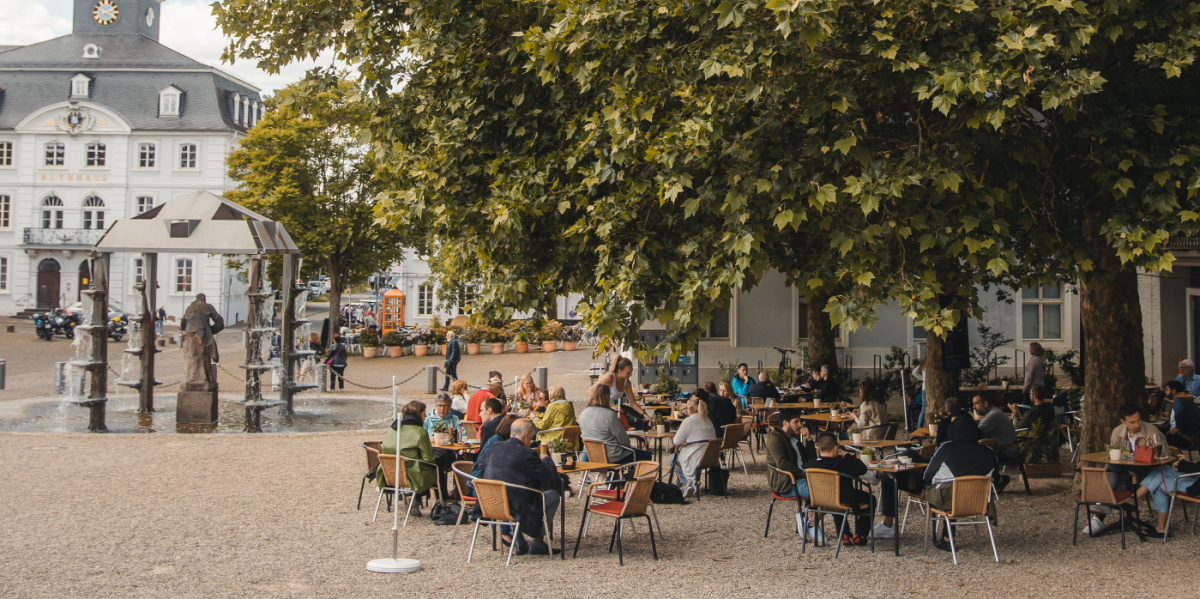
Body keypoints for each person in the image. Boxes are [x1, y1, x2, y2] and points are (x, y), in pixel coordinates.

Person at [474, 418, 562, 555]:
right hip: (517, 506)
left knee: (513, 491)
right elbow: (550, 477)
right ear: (527, 435)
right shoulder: (527, 454)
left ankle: (520, 541)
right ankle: (538, 540)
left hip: (490, 504)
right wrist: (546, 459)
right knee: (552, 496)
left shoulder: (493, 447)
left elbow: (481, 465)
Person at [1083, 404, 1169, 536]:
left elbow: (1164, 459)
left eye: (1138, 420)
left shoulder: (1152, 432)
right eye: (1132, 422)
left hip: (1146, 472)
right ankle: (1100, 512)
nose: (1137, 424)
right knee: (1111, 467)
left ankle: (1099, 512)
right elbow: (1113, 456)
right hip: (1125, 471)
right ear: (1123, 422)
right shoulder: (1117, 432)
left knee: (1115, 472)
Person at [922, 412, 999, 551]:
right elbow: (997, 479)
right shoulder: (989, 453)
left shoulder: (946, 449)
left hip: (950, 500)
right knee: (955, 490)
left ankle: (946, 538)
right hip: (978, 502)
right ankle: (948, 538)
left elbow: (927, 476)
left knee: (941, 491)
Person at [804, 432, 873, 546]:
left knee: (834, 495)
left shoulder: (810, 464)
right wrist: (848, 456)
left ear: (818, 448)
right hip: (842, 500)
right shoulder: (840, 465)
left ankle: (844, 533)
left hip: (820, 500)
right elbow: (862, 469)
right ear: (835, 448)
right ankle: (860, 535)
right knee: (870, 499)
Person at [764, 408, 819, 539]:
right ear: (785, 423)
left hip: (801, 478)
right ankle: (809, 523)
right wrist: (804, 474)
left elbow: (810, 461)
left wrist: (809, 440)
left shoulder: (794, 439)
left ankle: (808, 520)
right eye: (796, 422)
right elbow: (782, 463)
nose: (800, 425)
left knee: (825, 489)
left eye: (800, 421)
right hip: (786, 482)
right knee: (819, 491)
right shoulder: (775, 439)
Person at [378, 400, 437, 516]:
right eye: (424, 413)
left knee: (420, 465)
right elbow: (429, 458)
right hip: (412, 477)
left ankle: (416, 499)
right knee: (437, 467)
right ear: (419, 414)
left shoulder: (392, 429)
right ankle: (441, 501)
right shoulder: (420, 432)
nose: (425, 416)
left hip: (389, 474)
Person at [578, 384, 650, 464]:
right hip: (613, 455)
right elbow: (623, 439)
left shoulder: (583, 414)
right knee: (646, 455)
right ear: (606, 396)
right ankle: (635, 475)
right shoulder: (609, 415)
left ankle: (613, 475)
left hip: (593, 456)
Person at [1136, 455, 1200, 534]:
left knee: (1161, 486)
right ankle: (1135, 498)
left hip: (1197, 485)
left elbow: (1196, 468)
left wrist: (1182, 464)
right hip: (1196, 476)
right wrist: (1188, 463)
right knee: (1162, 469)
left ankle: (1160, 527)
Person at [670, 397, 717, 497]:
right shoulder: (708, 420)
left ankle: (688, 483)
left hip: (696, 456)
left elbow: (676, 441)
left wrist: (685, 442)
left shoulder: (688, 421)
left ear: (690, 409)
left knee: (671, 459)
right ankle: (691, 482)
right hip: (711, 457)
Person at [423, 394, 460, 500]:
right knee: (436, 462)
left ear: (450, 407)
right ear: (435, 406)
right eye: (440, 405)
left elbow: (462, 434)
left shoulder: (454, 419)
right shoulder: (428, 419)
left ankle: (455, 492)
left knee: (461, 462)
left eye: (445, 406)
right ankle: (442, 496)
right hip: (433, 451)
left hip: (449, 452)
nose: (442, 409)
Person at [591, 356, 649, 420]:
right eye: (628, 373)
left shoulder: (627, 382)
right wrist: (605, 405)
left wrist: (644, 414)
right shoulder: (609, 377)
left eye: (631, 372)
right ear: (620, 371)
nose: (631, 375)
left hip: (608, 411)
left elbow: (633, 403)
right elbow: (590, 391)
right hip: (597, 410)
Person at [974, 394, 1021, 462]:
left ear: (986, 404)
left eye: (976, 403)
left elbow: (976, 434)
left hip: (1007, 453)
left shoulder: (992, 415)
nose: (974, 407)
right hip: (1009, 450)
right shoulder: (992, 411)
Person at [1163, 380, 1200, 450]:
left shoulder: (1178, 399)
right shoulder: (1187, 399)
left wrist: (1177, 427)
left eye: (1167, 390)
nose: (1165, 392)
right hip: (1194, 438)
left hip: (1186, 438)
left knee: (1161, 436)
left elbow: (1179, 411)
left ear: (1173, 391)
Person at [909, 359, 926, 430]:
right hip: (926, 388)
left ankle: (920, 427)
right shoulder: (928, 363)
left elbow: (914, 372)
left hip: (925, 387)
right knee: (924, 409)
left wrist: (923, 379)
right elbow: (914, 372)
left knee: (924, 409)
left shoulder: (924, 363)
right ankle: (919, 427)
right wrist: (924, 379)